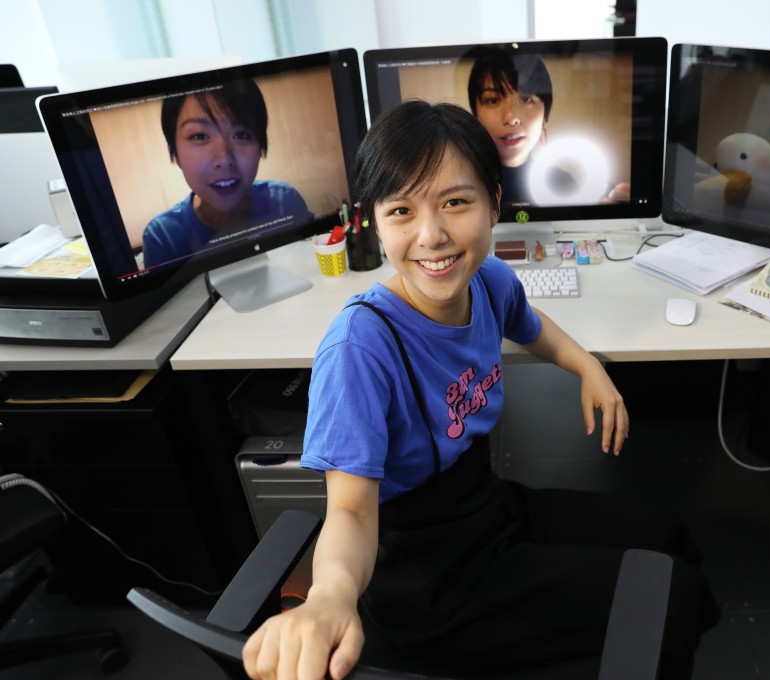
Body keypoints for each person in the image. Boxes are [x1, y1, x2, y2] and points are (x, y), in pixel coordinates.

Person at [242, 100, 718, 680]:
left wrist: (584, 364)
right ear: (372, 220)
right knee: (671, 598)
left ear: (495, 202)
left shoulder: (487, 279)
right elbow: (348, 509)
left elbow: (531, 323)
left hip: (488, 510)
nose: (432, 236)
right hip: (430, 583)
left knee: (666, 533)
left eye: (455, 202)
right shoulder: (360, 349)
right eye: (401, 210)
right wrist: (329, 598)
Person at [142, 78, 312, 268]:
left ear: (261, 147)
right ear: (175, 153)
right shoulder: (163, 236)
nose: (224, 159)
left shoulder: (285, 201)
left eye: (241, 134)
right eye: (199, 136)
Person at [466, 47, 629, 207]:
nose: (511, 117)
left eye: (526, 100)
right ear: (476, 114)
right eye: (493, 100)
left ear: (544, 117)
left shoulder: (563, 183)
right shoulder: (462, 185)